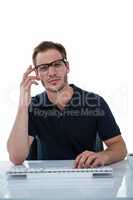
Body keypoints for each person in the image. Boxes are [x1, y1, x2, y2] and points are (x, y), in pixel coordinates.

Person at [7, 41, 127, 168]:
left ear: (67, 67)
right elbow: (16, 158)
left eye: (57, 64)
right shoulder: (33, 106)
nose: (51, 72)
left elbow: (119, 146)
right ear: (37, 74)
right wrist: (22, 104)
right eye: (43, 68)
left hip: (86, 178)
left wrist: (103, 156)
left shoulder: (94, 103)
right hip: (45, 181)